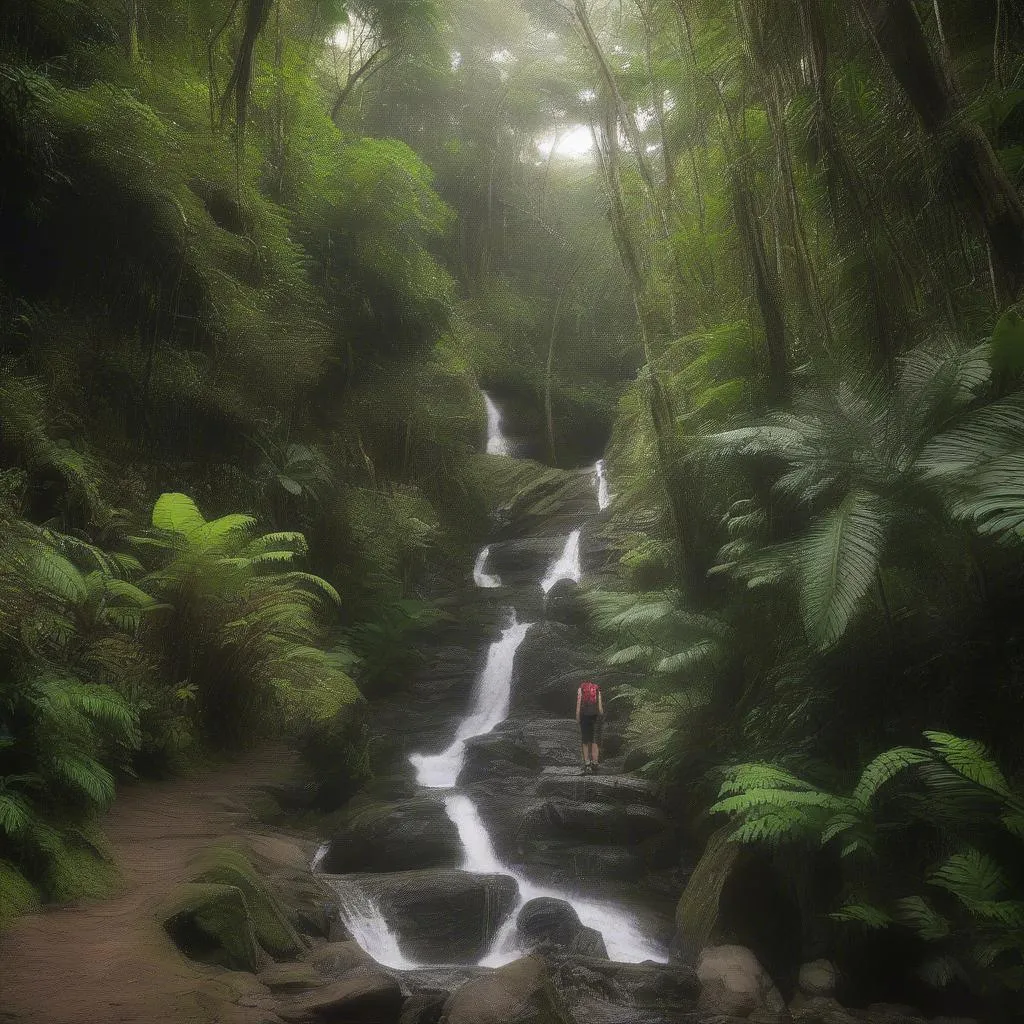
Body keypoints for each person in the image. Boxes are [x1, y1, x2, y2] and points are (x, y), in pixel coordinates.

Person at [575, 679, 604, 774]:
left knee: (585, 740)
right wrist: (601, 714)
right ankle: (595, 762)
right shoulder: (596, 688)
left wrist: (577, 715)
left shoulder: (581, 688)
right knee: (594, 740)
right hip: (595, 716)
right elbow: (599, 705)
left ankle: (587, 763)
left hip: (584, 716)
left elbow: (579, 701)